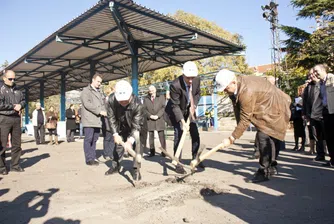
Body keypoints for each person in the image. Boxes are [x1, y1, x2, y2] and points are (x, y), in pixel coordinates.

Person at [215, 69, 291, 183]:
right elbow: (238, 110)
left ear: (233, 82)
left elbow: (245, 118)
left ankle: (264, 171)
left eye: (226, 88)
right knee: (269, 138)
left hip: (276, 107)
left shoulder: (246, 92)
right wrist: (237, 130)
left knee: (263, 137)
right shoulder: (235, 89)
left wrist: (233, 137)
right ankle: (271, 167)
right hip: (268, 107)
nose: (225, 91)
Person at [164, 61, 202, 174]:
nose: (190, 80)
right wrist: (182, 121)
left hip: (190, 110)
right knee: (179, 134)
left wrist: (194, 105)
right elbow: (175, 105)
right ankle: (178, 163)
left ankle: (195, 158)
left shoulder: (197, 80)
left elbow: (197, 94)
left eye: (192, 77)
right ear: (183, 74)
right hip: (177, 111)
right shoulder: (175, 85)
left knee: (195, 133)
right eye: (188, 78)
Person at [105, 80, 147, 180]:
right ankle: (115, 166)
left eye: (125, 100)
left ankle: (136, 170)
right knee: (118, 146)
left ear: (130, 95)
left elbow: (136, 126)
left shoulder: (138, 105)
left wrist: (129, 141)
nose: (123, 102)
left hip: (137, 126)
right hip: (120, 124)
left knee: (137, 146)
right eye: (121, 101)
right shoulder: (111, 100)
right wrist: (115, 133)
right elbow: (111, 118)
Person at [0, 70, 25, 175]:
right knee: (2, 144)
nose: (13, 81)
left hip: (16, 119)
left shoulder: (18, 89)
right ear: (4, 78)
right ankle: (2, 167)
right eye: (10, 79)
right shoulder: (1, 90)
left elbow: (23, 100)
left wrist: (21, 105)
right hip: (4, 118)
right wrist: (14, 106)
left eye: (14, 78)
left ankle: (15, 165)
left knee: (17, 144)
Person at [80, 74, 106, 166]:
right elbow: (87, 104)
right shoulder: (86, 91)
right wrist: (100, 111)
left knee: (94, 139)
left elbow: (102, 104)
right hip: (89, 120)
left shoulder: (99, 92)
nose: (99, 84)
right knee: (88, 139)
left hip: (97, 120)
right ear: (93, 80)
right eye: (98, 81)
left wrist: (105, 111)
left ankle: (93, 156)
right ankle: (89, 159)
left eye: (100, 82)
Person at [314, 64, 334, 167]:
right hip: (326, 112)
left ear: (323, 70)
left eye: (316, 71)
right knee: (329, 137)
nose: (315, 74)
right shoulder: (319, 84)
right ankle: (332, 160)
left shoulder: (331, 79)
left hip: (333, 111)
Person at [143, 85, 166, 157]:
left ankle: (164, 152)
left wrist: (158, 115)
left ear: (155, 90)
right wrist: (150, 116)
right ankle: (152, 151)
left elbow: (163, 108)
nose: (151, 92)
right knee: (151, 136)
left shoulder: (161, 97)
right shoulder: (145, 99)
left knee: (161, 137)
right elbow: (144, 109)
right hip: (150, 120)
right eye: (150, 91)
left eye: (152, 90)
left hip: (159, 119)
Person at [100, 86, 115, 161]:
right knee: (107, 138)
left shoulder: (114, 101)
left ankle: (111, 154)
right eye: (112, 91)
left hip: (113, 122)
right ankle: (106, 154)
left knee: (112, 139)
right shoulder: (104, 101)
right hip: (106, 122)